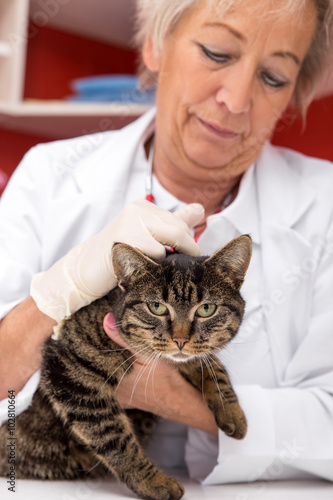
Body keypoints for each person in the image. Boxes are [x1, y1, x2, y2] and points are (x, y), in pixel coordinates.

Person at [1, 0, 333, 485]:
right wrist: (59, 291)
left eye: (274, 77)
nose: (236, 100)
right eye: (217, 53)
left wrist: (167, 394)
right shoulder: (49, 175)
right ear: (155, 45)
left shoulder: (325, 202)